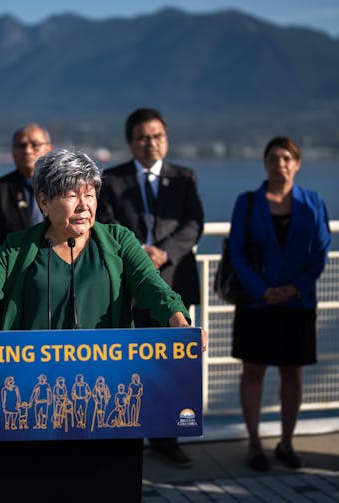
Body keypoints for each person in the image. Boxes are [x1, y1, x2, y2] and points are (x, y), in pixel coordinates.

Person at [0, 147, 207, 502]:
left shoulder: (119, 241)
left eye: (90, 194)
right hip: (31, 401)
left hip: (106, 402)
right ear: (44, 201)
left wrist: (181, 323)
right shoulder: (18, 247)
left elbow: (154, 290)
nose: (84, 206)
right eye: (71, 195)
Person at [97, 107, 204, 467]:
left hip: (173, 282)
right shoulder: (111, 180)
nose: (151, 143)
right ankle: (125, 437)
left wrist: (163, 253)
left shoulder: (185, 177)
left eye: (157, 135)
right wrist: (139, 254)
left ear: (166, 138)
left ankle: (166, 438)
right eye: (143, 137)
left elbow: (193, 224)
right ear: (130, 142)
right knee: (127, 365)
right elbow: (105, 221)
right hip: (127, 284)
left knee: (169, 367)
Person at [228, 137, 331, 472]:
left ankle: (287, 443)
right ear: (265, 162)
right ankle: (255, 444)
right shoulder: (247, 202)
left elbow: (320, 252)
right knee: (252, 371)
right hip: (257, 303)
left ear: (297, 163)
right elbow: (237, 253)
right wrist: (262, 290)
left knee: (292, 373)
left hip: (298, 303)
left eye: (287, 158)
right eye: (273, 158)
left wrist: (294, 288)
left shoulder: (313, 202)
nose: (280, 163)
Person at [0, 123, 54, 329]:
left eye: (35, 144)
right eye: (21, 145)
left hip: (59, 283)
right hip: (12, 287)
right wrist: (19, 274)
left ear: (50, 149)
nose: (27, 150)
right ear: (13, 151)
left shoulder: (65, 190)